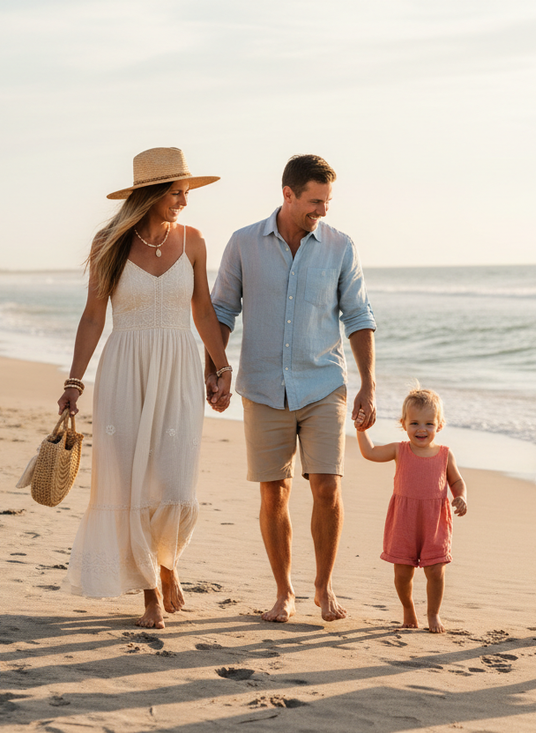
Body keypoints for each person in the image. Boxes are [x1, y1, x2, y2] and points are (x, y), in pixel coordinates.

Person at [59, 147, 233, 629]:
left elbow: (203, 311)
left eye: (185, 192)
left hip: (178, 367)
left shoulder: (194, 242)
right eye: (176, 192)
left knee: (174, 480)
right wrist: (74, 381)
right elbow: (94, 316)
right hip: (124, 366)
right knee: (131, 480)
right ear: (151, 193)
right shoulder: (109, 242)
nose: (184, 200)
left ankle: (168, 562)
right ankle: (151, 592)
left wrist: (222, 367)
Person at [209, 154, 376, 623]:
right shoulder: (244, 243)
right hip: (262, 386)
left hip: (324, 383)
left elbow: (359, 316)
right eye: (314, 201)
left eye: (326, 201)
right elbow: (222, 310)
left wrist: (368, 384)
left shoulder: (340, 246)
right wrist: (216, 369)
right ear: (288, 195)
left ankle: (323, 586)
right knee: (274, 493)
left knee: (327, 487)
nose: (322, 210)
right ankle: (284, 591)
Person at [356, 388, 467, 633]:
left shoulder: (445, 455)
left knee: (436, 570)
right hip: (404, 520)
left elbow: (457, 482)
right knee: (402, 572)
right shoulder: (399, 450)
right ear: (403, 423)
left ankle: (433, 614)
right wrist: (361, 430)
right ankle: (407, 608)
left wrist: (461, 496)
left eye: (429, 423)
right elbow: (370, 453)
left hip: (434, 522)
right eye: (414, 422)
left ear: (439, 425)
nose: (421, 429)